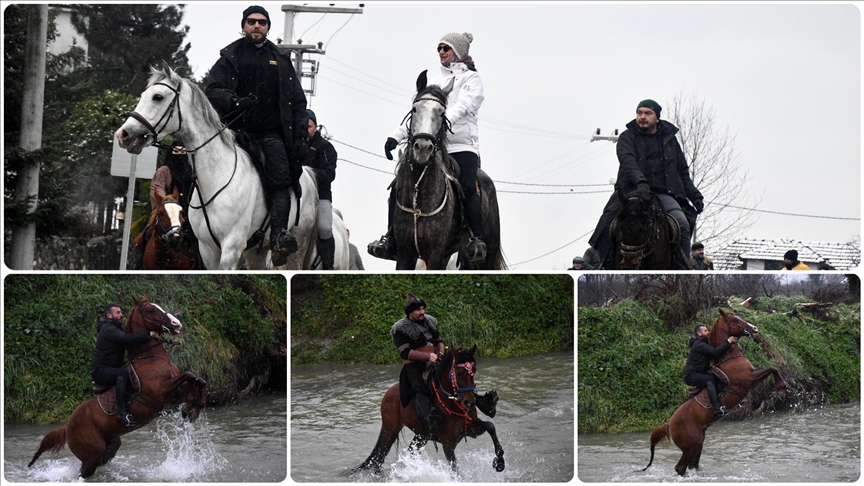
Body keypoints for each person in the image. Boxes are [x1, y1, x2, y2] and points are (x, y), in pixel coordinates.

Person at [369, 32, 486, 263]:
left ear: (458, 52)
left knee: (468, 186)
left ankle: (476, 238)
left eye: (446, 48)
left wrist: (444, 119)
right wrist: (395, 137)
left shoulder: (472, 79)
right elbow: (418, 117)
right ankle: (391, 237)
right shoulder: (433, 81)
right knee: (399, 182)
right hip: (434, 145)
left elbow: (464, 105)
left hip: (462, 146)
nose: (442, 52)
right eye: (439, 48)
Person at [205, 5, 309, 267]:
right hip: (232, 133)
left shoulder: (281, 60)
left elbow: (298, 102)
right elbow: (212, 90)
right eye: (251, 21)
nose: (256, 26)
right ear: (243, 25)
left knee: (281, 177)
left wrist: (299, 139)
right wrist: (234, 101)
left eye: (262, 22)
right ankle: (187, 226)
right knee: (195, 167)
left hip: (269, 134)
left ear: (268, 27)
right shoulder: (230, 56)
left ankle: (279, 235)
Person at [588, 100, 704, 270]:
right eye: (639, 113)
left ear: (657, 117)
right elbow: (628, 163)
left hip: (663, 194)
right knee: (608, 224)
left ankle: (683, 269)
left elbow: (682, 171)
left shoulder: (670, 140)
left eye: (647, 113)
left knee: (682, 224)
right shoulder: (627, 137)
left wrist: (694, 195)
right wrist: (641, 182)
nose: (642, 117)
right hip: (632, 192)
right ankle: (606, 267)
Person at [90, 304, 158, 426]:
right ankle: (123, 413)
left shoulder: (117, 327)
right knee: (122, 374)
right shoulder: (108, 329)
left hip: (112, 367)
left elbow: (131, 337)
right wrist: (149, 335)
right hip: (100, 371)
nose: (121, 315)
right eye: (118, 313)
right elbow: (127, 339)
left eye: (121, 312)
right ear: (109, 315)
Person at [135, 138, 195, 269]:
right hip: (166, 212)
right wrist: (168, 201)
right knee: (144, 237)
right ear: (170, 152)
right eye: (176, 151)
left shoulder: (191, 171)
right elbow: (157, 189)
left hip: (189, 212)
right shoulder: (163, 171)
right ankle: (138, 266)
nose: (179, 155)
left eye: (182, 152)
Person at [390, 294, 444, 434]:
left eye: (422, 308)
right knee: (420, 388)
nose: (422, 312)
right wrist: (427, 356)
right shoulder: (400, 328)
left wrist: (440, 352)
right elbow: (404, 352)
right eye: (418, 310)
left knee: (453, 376)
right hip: (414, 366)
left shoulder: (429, 321)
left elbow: (438, 341)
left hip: (435, 361)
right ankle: (428, 420)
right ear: (410, 312)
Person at [303, 109, 338, 269]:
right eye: (303, 126)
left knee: (324, 228)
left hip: (320, 197)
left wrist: (307, 175)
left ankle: (328, 267)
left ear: (315, 127)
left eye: (309, 126)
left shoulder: (326, 147)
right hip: (297, 197)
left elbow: (329, 174)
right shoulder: (293, 146)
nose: (306, 130)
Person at [682, 324, 735, 417]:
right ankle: (717, 409)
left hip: (699, 372)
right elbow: (715, 352)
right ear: (699, 333)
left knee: (718, 376)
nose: (708, 332)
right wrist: (728, 342)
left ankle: (727, 402)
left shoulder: (703, 343)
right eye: (705, 331)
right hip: (691, 375)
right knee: (709, 379)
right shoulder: (699, 344)